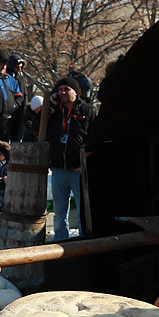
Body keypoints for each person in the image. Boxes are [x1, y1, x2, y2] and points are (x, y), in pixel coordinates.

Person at [46, 75, 96, 240]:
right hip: (59, 168)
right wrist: (51, 105)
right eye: (60, 89)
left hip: (78, 169)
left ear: (76, 92)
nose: (63, 92)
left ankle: (83, 241)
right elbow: (37, 126)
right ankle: (61, 240)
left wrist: (87, 161)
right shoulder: (53, 111)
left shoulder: (87, 110)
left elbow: (96, 137)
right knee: (59, 213)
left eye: (67, 89)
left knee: (83, 211)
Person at [6, 53, 29, 142]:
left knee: (17, 140)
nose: (19, 70)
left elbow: (24, 93)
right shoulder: (6, 77)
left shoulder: (20, 76)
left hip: (20, 113)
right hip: (9, 113)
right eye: (17, 67)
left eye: (20, 67)